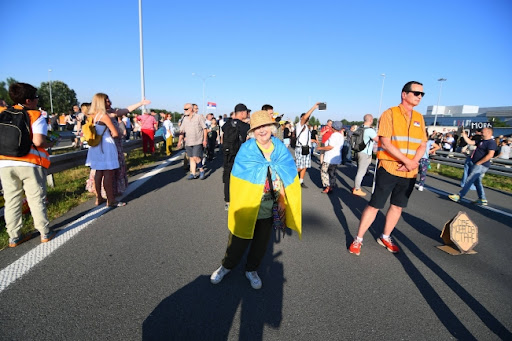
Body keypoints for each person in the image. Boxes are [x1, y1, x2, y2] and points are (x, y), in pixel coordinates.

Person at [210, 110, 302, 289]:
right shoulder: (247, 149)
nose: (262, 130)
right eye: (258, 127)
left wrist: (283, 201)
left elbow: (288, 175)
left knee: (261, 244)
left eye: (265, 126)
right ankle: (226, 266)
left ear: (272, 128)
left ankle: (251, 269)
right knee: (237, 241)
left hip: (270, 205)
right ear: (252, 131)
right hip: (248, 204)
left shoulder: (280, 148)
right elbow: (238, 178)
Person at [349, 81, 427, 256]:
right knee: (375, 205)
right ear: (404, 94)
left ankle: (385, 236)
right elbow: (385, 142)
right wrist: (407, 161)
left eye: (422, 94)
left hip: (409, 171)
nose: (419, 96)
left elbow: (423, 144)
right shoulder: (390, 114)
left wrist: (413, 162)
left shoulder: (419, 118)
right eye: (416, 93)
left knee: (397, 206)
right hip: (390, 168)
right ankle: (358, 239)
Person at [0, 82, 57, 247]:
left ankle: (14, 237)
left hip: (4, 162)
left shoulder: (3, 113)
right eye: (36, 97)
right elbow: (39, 141)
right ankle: (45, 232)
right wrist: (51, 143)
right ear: (28, 100)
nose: (37, 100)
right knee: (35, 198)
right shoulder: (35, 115)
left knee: (11, 200)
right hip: (29, 162)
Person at [85, 93, 124, 207]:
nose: (110, 103)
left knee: (98, 173)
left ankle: (99, 198)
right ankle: (111, 199)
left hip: (96, 146)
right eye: (107, 101)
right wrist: (117, 134)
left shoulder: (92, 115)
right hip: (106, 146)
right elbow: (116, 133)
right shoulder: (104, 116)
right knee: (108, 173)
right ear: (101, 102)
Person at [449, 127, 497, 206]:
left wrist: (479, 163)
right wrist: (464, 135)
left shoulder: (491, 142)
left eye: (482, 132)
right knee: (477, 182)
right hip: (477, 163)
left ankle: (460, 195)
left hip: (481, 165)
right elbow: (470, 142)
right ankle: (482, 198)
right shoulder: (481, 141)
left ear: (489, 133)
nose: (480, 133)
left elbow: (490, 155)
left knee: (470, 179)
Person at [222, 103, 251, 210]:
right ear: (242, 113)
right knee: (241, 177)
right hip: (240, 155)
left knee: (228, 177)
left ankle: (228, 202)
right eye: (246, 112)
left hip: (227, 153)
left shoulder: (226, 124)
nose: (247, 114)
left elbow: (223, 130)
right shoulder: (245, 126)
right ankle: (239, 199)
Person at [177, 103, 208, 180]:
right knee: (191, 158)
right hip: (188, 142)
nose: (185, 111)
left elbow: (204, 129)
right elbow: (181, 131)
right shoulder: (185, 119)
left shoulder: (198, 117)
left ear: (191, 109)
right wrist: (179, 141)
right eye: (184, 109)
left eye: (186, 109)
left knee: (195, 157)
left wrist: (204, 139)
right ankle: (193, 173)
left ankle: (201, 170)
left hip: (197, 140)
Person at [295, 103, 320, 188]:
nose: (307, 119)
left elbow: (304, 138)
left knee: (305, 166)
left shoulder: (306, 126)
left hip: (306, 148)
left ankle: (300, 181)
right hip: (301, 148)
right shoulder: (300, 124)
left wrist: (312, 140)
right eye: (307, 117)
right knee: (300, 166)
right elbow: (305, 117)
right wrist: (314, 107)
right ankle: (288, 177)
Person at [353, 114, 378, 197]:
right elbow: (378, 140)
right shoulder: (370, 130)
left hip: (357, 151)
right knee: (361, 172)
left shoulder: (360, 128)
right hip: (365, 153)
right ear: (371, 120)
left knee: (359, 170)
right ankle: (357, 189)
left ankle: (356, 187)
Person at [316, 121, 344, 194]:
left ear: (333, 128)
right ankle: (331, 185)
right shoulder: (341, 136)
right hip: (336, 158)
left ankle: (327, 186)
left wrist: (321, 148)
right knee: (332, 172)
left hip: (329, 157)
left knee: (324, 171)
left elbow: (330, 147)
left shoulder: (333, 136)